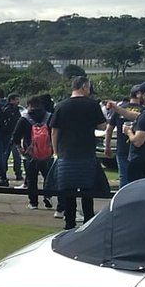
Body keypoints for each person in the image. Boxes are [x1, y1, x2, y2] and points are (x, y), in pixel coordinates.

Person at [45, 76, 108, 230]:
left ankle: (69, 224)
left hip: (66, 155)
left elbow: (54, 131)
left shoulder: (61, 106)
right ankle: (88, 223)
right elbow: (102, 126)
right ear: (84, 87)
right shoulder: (92, 105)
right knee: (88, 193)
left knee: (68, 193)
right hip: (87, 154)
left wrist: (56, 151)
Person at [14, 95, 53, 209]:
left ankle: (33, 202)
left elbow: (16, 137)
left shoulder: (24, 118)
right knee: (49, 177)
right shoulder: (49, 117)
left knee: (32, 179)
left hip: (30, 154)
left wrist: (21, 149)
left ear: (29, 105)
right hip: (47, 153)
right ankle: (48, 196)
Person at [103, 86, 142, 187]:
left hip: (122, 149)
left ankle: (122, 200)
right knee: (138, 179)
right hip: (138, 149)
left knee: (123, 177)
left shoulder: (120, 109)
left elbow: (109, 129)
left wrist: (107, 146)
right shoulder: (143, 110)